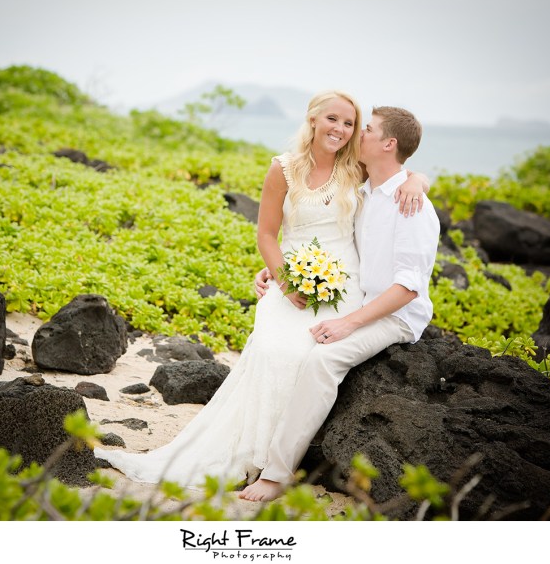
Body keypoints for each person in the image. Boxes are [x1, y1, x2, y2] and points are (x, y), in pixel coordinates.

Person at [92, 91, 429, 490]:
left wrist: (419, 179)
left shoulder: (355, 167)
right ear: (313, 120)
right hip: (292, 280)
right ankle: (248, 454)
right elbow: (267, 234)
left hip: (347, 286)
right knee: (271, 351)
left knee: (306, 356)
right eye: (333, 119)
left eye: (352, 124)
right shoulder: (283, 169)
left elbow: (398, 170)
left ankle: (273, 462)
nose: (342, 129)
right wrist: (283, 279)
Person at [239, 105, 440, 502]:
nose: (357, 134)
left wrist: (349, 324)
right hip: (362, 298)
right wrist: (279, 271)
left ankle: (278, 473)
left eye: (367, 128)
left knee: (323, 359)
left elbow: (408, 289)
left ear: (388, 143)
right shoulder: (367, 187)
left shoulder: (410, 206)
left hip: (396, 315)